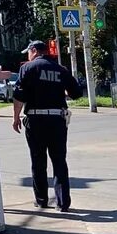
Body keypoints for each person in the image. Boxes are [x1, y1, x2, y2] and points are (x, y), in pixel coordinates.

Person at [12, 40, 82, 211]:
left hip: (35, 121)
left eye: (28, 52)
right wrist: (58, 91)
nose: (28, 55)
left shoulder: (27, 68)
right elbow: (76, 93)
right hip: (57, 120)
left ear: (34, 51)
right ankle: (63, 203)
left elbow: (19, 96)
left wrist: (15, 118)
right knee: (59, 160)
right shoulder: (61, 69)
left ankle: (42, 200)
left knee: (38, 161)